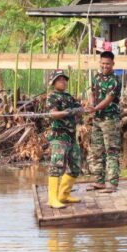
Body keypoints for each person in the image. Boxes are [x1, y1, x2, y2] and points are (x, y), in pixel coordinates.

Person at [45, 70, 84, 208]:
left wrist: (80, 110)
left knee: (76, 166)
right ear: (54, 82)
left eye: (64, 79)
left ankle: (64, 194)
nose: (63, 81)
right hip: (59, 136)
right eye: (59, 79)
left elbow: (80, 109)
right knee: (56, 166)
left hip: (71, 136)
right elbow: (53, 114)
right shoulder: (52, 97)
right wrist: (69, 112)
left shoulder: (69, 97)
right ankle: (52, 199)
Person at [87, 51, 122, 193]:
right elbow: (91, 93)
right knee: (97, 150)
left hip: (109, 119)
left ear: (113, 64)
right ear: (99, 63)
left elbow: (108, 99)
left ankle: (112, 183)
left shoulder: (115, 80)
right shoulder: (97, 77)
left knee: (111, 151)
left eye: (108, 63)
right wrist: (90, 105)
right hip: (97, 119)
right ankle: (99, 181)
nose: (105, 66)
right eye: (103, 63)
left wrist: (94, 108)